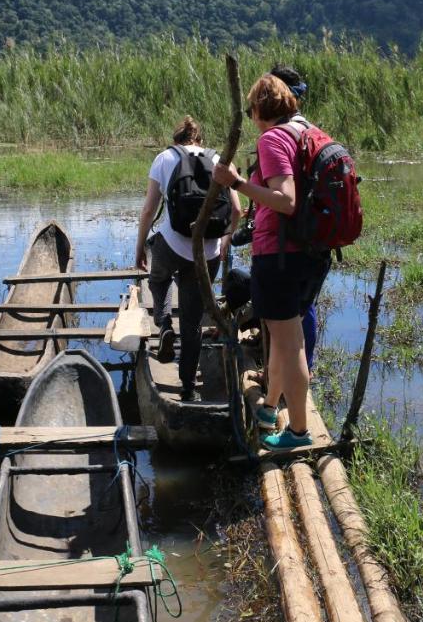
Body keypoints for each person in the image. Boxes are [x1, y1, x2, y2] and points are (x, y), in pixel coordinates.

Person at [212, 75, 331, 449]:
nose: (250, 117)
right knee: (280, 339)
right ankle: (269, 405)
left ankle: (297, 431)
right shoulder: (305, 133)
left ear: (261, 109)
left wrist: (236, 184)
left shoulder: (272, 138)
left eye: (251, 110)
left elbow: (286, 199)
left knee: (290, 343)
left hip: (281, 256)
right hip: (309, 252)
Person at [134, 116, 241, 402]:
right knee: (193, 323)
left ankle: (164, 323)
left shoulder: (164, 158)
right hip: (207, 252)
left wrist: (139, 249)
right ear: (199, 140)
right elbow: (237, 211)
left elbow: (148, 210)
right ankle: (187, 389)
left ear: (176, 138)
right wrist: (224, 243)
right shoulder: (219, 158)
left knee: (158, 279)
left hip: (171, 244)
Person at [269, 64, 319, 370]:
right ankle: (306, 368)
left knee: (282, 318)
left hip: (286, 238)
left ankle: (280, 386)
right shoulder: (311, 130)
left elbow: (285, 199)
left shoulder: (277, 136)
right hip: (316, 235)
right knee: (306, 306)